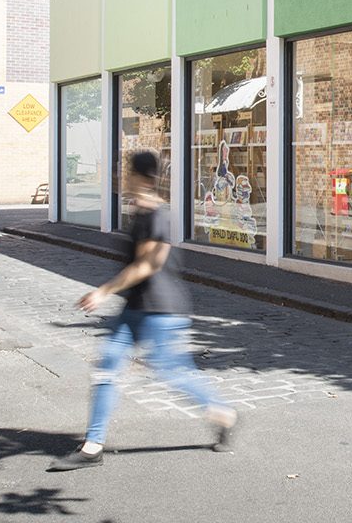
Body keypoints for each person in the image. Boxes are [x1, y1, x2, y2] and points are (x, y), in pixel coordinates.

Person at [49, 150, 239, 470]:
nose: (123, 178)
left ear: (140, 177)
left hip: (162, 310)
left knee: (172, 371)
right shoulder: (140, 212)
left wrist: (103, 291)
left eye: (128, 173)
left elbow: (148, 265)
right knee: (108, 365)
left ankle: (223, 412)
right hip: (135, 307)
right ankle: (93, 446)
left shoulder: (159, 216)